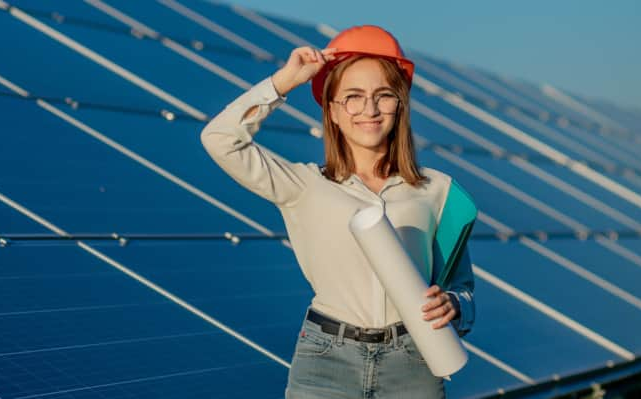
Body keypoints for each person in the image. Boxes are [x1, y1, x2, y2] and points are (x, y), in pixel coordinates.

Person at [200, 25, 476, 398]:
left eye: (384, 96)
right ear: (332, 111)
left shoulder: (439, 191)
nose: (369, 109)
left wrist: (455, 305)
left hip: (414, 361)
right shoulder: (304, 186)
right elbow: (219, 140)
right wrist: (284, 82)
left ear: (400, 104)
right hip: (325, 359)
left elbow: (461, 286)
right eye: (353, 97)